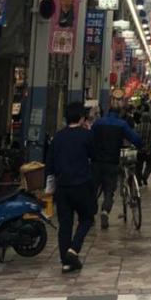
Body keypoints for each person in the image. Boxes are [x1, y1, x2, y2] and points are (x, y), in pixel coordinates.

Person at [46, 102, 95, 272]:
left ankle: (65, 261)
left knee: (65, 224)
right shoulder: (87, 135)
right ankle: (73, 249)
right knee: (87, 218)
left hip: (63, 187)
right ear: (82, 118)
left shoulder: (58, 137)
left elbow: (50, 164)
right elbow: (94, 156)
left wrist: (50, 187)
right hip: (82, 185)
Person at [91, 102, 142, 229]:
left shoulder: (98, 123)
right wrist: (141, 145)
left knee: (93, 188)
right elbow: (135, 138)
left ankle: (90, 214)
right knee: (109, 189)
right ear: (119, 113)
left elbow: (90, 137)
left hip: (96, 161)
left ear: (108, 111)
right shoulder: (122, 124)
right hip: (112, 162)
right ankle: (105, 211)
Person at [135, 102, 151, 187]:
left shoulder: (138, 127)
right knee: (150, 164)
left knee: (139, 166)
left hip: (139, 150)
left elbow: (135, 137)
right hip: (149, 150)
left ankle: (139, 180)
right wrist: (149, 147)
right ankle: (145, 176)